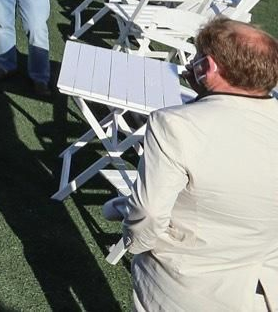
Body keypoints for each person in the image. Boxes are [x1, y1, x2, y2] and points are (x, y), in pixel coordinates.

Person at [105, 17, 278, 311]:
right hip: (262, 287)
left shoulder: (174, 125)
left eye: (197, 56)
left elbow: (148, 213)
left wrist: (134, 243)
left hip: (184, 287)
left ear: (207, 67)